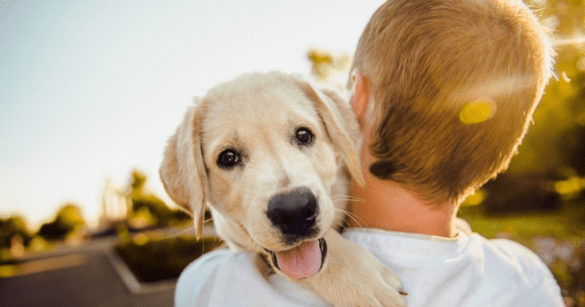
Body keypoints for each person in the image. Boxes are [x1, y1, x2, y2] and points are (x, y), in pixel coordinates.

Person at [175, 0, 565, 306]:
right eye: (229, 158)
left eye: (303, 135)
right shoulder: (527, 278)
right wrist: (331, 262)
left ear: (355, 101)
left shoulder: (215, 286)